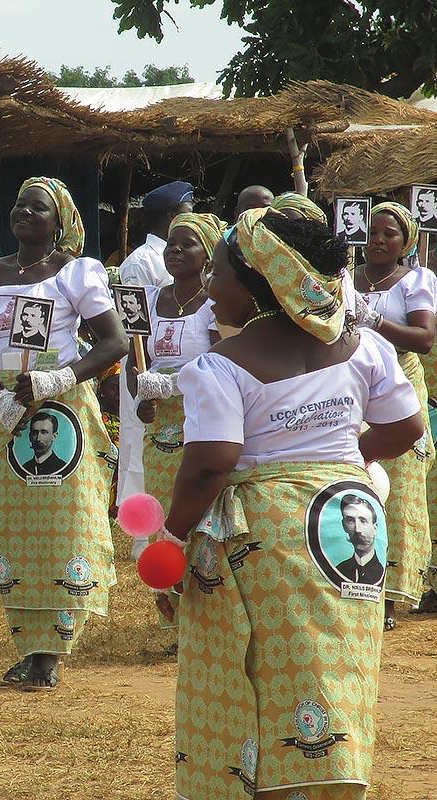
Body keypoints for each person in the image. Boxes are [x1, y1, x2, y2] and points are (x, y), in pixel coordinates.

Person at [161, 208, 422, 799]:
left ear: (258, 286)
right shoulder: (367, 349)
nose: (209, 285)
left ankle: (273, 787)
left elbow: (211, 461)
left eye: (219, 272)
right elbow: (405, 430)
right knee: (337, 662)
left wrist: (171, 538)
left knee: (259, 667)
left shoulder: (220, 366)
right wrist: (347, 459)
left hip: (266, 532)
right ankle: (334, 778)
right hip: (344, 520)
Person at [0, 177, 127, 691]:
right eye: (18, 206)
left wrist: (58, 378)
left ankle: (50, 654)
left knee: (64, 525)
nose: (24, 214)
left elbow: (113, 342)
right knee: (14, 526)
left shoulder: (74, 274)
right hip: (8, 412)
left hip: (62, 409)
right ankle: (30, 644)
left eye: (37, 208)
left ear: (60, 222)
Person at [128, 212, 223, 632]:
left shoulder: (215, 305)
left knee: (197, 508)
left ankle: (202, 606)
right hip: (158, 426)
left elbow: (223, 364)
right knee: (161, 508)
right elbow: (136, 360)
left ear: (207, 255)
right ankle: (168, 605)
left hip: (200, 418)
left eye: (188, 244)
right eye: (171, 243)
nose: (177, 250)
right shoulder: (149, 301)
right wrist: (142, 394)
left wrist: (170, 385)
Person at [351, 201, 435, 628]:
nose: (379, 240)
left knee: (398, 489)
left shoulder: (416, 280)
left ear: (406, 243)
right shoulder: (346, 278)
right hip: (353, 388)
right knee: (357, 483)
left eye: (390, 234)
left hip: (399, 384)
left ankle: (388, 595)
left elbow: (424, 339)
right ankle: (358, 582)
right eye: (373, 232)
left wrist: (375, 320)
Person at [119, 180, 193, 288]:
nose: (194, 219)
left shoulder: (189, 254)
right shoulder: (141, 263)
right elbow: (140, 305)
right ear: (173, 216)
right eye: (189, 213)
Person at [335, 494, 386, 585]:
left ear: (375, 528)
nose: (357, 529)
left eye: (363, 521)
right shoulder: (339, 570)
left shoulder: (382, 570)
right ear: (344, 526)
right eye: (350, 521)